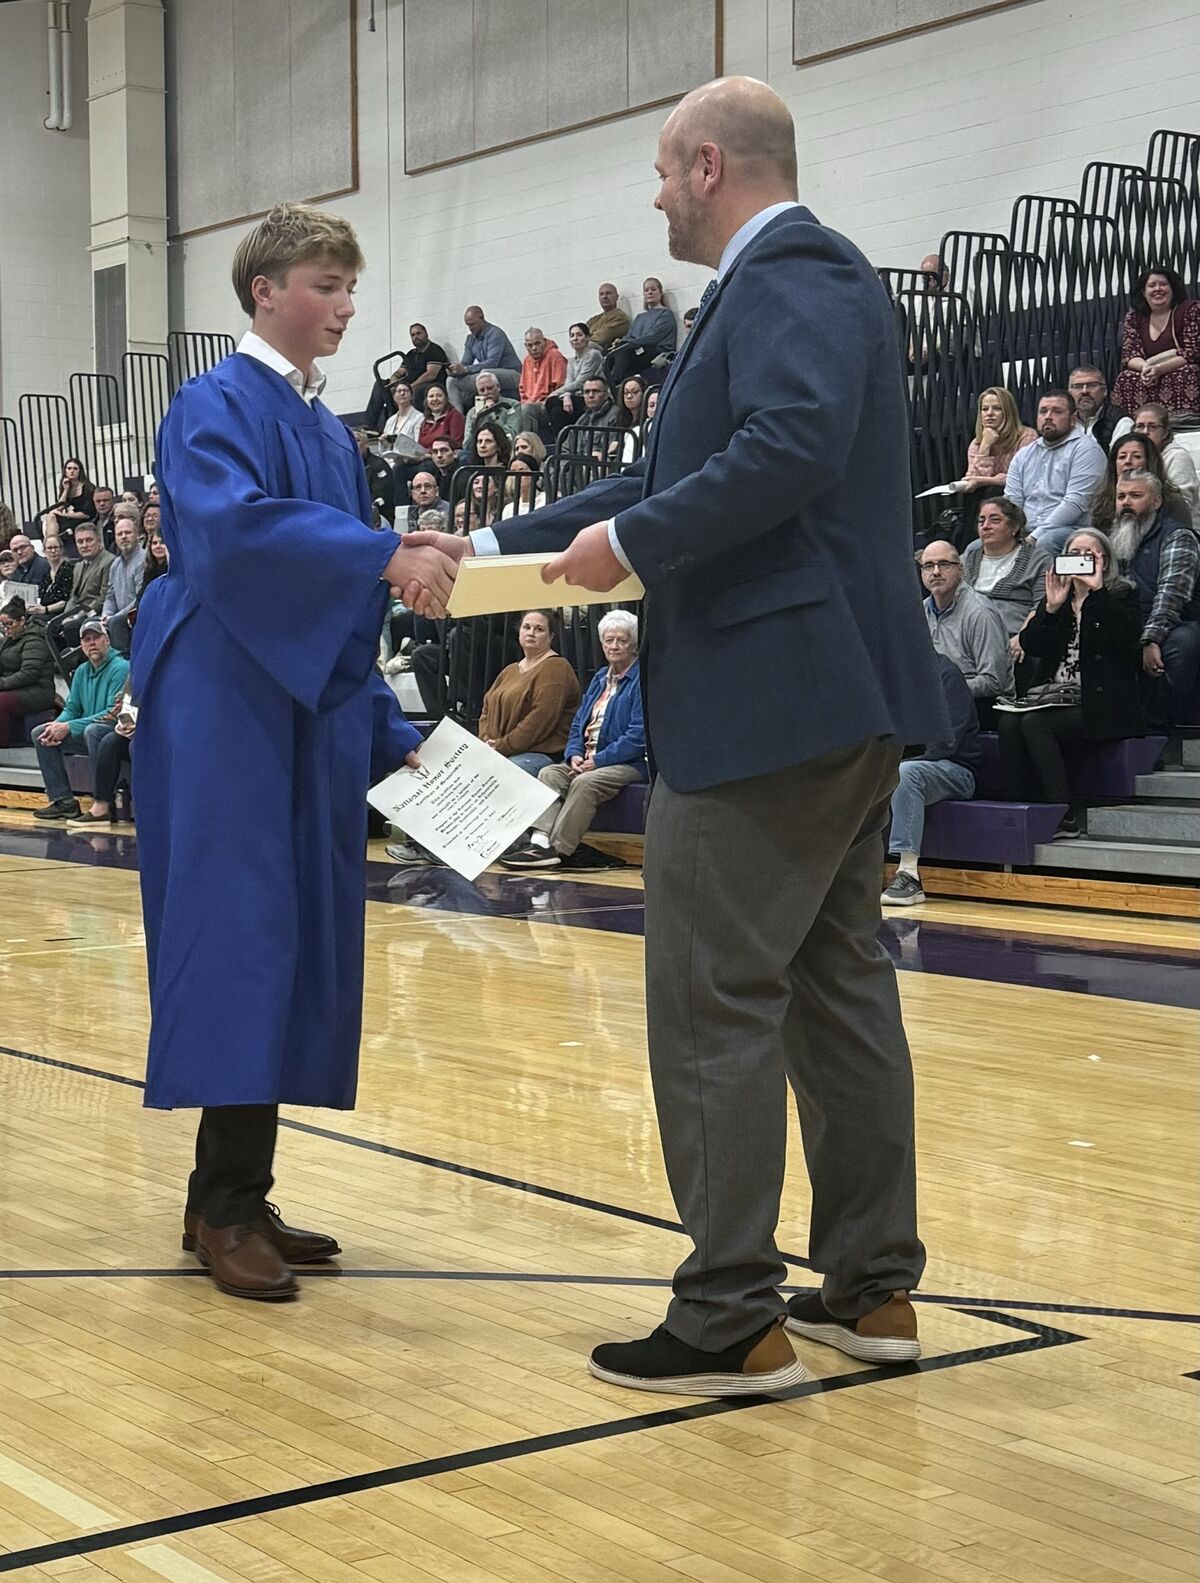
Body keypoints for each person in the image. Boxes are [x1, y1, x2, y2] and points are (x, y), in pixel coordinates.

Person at [412, 75, 947, 1394]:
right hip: (828, 697)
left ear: (709, 165)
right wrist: (491, 540)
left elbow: (789, 443)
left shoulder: (798, 269)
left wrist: (638, 539)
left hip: (772, 699)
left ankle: (727, 1315)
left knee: (712, 996)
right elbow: (656, 480)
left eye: (661, 172)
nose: (655, 198)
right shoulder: (770, 291)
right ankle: (870, 1287)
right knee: (835, 987)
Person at [130, 202, 456, 1303]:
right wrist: (381, 549)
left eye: (350, 286)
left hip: (303, 704)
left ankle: (232, 1191)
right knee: (240, 933)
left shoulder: (328, 430)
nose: (346, 306)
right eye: (326, 284)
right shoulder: (213, 402)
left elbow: (344, 602)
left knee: (295, 933)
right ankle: (223, 1207)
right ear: (265, 290)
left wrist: (389, 733)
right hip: (224, 697)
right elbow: (233, 540)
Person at [996, 528, 1145, 838]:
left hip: (1101, 701)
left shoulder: (1121, 594)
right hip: (1053, 695)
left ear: (1104, 561)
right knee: (1009, 723)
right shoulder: (1057, 598)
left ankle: (1063, 813)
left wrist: (1098, 593)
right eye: (1074, 554)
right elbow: (1032, 645)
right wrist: (1050, 609)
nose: (1081, 559)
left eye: (1089, 554)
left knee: (1036, 724)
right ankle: (1025, 808)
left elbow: (1127, 640)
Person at [502, 609, 647, 868]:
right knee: (550, 773)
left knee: (585, 783)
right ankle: (539, 843)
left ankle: (558, 849)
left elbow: (638, 736)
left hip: (629, 762)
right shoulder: (600, 678)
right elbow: (579, 722)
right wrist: (574, 754)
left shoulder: (641, 681)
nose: (614, 646)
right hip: (589, 758)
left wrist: (599, 760)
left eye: (621, 641)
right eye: (609, 640)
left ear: (633, 645)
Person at [880, 654, 980, 907]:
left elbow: (945, 744)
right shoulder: (894, 679)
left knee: (906, 773)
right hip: (910, 765)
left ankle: (908, 875)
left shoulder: (947, 675)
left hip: (956, 769)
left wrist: (892, 765)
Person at [1107, 470, 1200, 722]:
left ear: (1157, 501)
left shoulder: (1177, 536)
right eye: (1121, 497)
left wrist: (1150, 639)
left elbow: (1171, 596)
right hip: (1127, 619)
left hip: (1172, 622)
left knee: (1183, 643)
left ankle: (1158, 720)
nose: (1126, 502)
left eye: (1136, 495)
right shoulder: (1113, 536)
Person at [32, 618, 130, 820]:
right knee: (40, 733)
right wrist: (57, 725)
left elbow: (111, 715)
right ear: (82, 645)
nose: (92, 643)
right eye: (87, 640)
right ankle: (63, 801)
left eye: (96, 638)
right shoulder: (81, 671)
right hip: (85, 732)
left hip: (112, 733)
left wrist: (69, 726)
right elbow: (72, 708)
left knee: (93, 731)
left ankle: (101, 802)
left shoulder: (121, 668)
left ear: (107, 640)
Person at [474, 610, 580, 775]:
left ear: (551, 636)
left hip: (539, 753)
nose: (531, 633)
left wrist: (501, 746)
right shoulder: (510, 670)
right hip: (499, 750)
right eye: (527, 627)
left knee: (503, 773)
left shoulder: (556, 668)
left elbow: (540, 719)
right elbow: (486, 709)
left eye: (539, 629)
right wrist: (486, 741)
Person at [1004, 389, 1106, 555]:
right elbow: (1012, 501)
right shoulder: (1023, 454)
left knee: (1047, 541)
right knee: (977, 546)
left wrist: (1034, 536)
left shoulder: (1087, 450)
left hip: (1072, 530)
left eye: (1057, 412)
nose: (1048, 417)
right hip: (1025, 530)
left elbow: (1075, 503)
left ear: (1073, 419)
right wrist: (1010, 534)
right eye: (1043, 411)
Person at [920, 539, 1010, 706]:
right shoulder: (920, 612)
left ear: (960, 569)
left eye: (944, 564)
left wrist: (944, 689)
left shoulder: (980, 613)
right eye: (929, 566)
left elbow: (994, 682)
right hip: (934, 701)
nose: (936, 572)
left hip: (979, 704)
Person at [1111, 265, 1200, 418]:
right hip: (1148, 370)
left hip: (1179, 367)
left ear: (1173, 289)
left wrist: (1159, 369)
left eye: (1163, 284)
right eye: (1152, 285)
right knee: (1126, 378)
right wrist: (1146, 369)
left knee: (1188, 373)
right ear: (1143, 292)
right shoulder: (1134, 316)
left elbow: (1193, 352)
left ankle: (1186, 422)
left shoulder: (1191, 309)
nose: (1158, 289)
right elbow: (1130, 355)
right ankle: (1134, 424)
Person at [961, 497, 1051, 639]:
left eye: (995, 520)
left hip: (1012, 635)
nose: (986, 526)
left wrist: (1023, 638)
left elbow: (1041, 606)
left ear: (1014, 527)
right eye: (981, 521)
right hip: (967, 635)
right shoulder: (965, 560)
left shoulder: (1039, 560)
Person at [1090, 431, 1191, 537]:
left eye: (1137, 456)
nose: (1128, 461)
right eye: (1122, 457)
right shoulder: (1103, 502)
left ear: (1149, 462)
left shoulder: (1172, 500)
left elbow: (1182, 536)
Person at [66, 678, 137, 827]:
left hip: (157, 729)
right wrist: (123, 722)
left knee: (107, 739)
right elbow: (127, 704)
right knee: (104, 738)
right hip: (134, 728)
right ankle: (100, 806)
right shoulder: (134, 674)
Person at [48, 523, 114, 665]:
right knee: (52, 626)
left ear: (99, 541)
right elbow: (74, 596)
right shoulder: (78, 566)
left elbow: (103, 597)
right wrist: (64, 616)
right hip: (78, 611)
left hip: (95, 612)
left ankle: (79, 665)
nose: (84, 545)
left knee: (71, 626)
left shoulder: (108, 561)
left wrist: (76, 616)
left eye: (89, 540)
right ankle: (60, 666)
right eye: (80, 541)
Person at [1131, 403, 1200, 529]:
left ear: (1165, 433)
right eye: (1140, 426)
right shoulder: (1133, 457)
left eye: (1152, 427)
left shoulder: (1177, 457)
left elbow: (1182, 507)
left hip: (1180, 529)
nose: (1145, 432)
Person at [0, 598, 57, 746]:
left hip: (37, 690)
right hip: (15, 687)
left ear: (22, 621)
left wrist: (2, 684)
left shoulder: (35, 639)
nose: (6, 629)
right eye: (3, 625)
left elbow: (29, 673)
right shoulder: (7, 641)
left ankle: (3, 743)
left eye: (10, 624)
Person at [445, 305, 522, 412]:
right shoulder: (470, 339)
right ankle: (458, 417)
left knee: (485, 373)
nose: (470, 328)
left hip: (513, 374)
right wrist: (456, 371)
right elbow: (465, 363)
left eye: (472, 324)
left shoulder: (495, 333)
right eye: (468, 325)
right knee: (451, 381)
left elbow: (492, 363)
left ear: (482, 318)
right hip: (490, 373)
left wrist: (466, 369)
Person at [959, 387, 1035, 495]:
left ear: (1008, 412)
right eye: (985, 409)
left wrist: (990, 481)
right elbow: (971, 482)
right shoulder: (977, 443)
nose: (989, 413)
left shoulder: (1027, 437)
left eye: (997, 408)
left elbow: (1023, 478)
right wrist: (985, 446)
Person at [604, 277, 678, 384]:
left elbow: (653, 337)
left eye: (653, 289)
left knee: (624, 351)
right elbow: (630, 335)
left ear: (660, 292)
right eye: (646, 290)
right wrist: (620, 341)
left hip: (656, 351)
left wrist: (627, 343)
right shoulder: (639, 317)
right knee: (609, 350)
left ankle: (616, 383)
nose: (649, 292)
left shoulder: (665, 314)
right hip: (637, 349)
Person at [544, 323, 605, 434]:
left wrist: (554, 393)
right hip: (576, 397)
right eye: (572, 335)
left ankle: (563, 439)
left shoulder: (593, 355)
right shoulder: (571, 361)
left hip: (591, 395)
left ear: (587, 337)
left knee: (553, 403)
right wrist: (566, 396)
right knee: (555, 407)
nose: (575, 338)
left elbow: (580, 382)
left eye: (579, 335)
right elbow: (569, 382)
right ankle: (563, 440)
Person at [100, 512, 147, 655]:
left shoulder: (144, 560)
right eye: (120, 534)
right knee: (90, 624)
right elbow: (110, 596)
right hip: (117, 616)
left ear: (137, 535)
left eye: (128, 532)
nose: (124, 536)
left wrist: (113, 618)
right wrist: (106, 614)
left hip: (137, 615)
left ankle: (123, 664)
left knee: (116, 623)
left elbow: (138, 600)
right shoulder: (115, 564)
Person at [1066, 365, 1131, 452]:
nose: (1084, 391)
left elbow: (1119, 459)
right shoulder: (1064, 421)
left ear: (1104, 391)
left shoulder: (1121, 422)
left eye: (1092, 385)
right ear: (1069, 392)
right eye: (1078, 386)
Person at [40, 458, 96, 553]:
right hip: (71, 517)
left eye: (75, 468)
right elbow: (59, 507)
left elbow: (86, 514)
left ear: (80, 471)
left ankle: (53, 546)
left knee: (56, 520)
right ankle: (52, 544)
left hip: (83, 519)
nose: (72, 471)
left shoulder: (87, 488)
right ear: (65, 471)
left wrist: (64, 515)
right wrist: (66, 490)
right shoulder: (66, 485)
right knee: (51, 516)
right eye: (69, 468)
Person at [517, 327, 567, 433]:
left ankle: (530, 441)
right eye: (530, 345)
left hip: (547, 405)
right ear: (525, 346)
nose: (534, 348)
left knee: (527, 410)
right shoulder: (527, 360)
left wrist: (544, 402)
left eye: (537, 343)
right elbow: (522, 389)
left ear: (544, 341)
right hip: (529, 403)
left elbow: (561, 386)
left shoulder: (555, 355)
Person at [460, 370, 523, 456]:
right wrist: (476, 420)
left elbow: (512, 437)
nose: (486, 393)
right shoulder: (472, 413)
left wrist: (492, 414)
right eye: (482, 390)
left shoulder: (512, 405)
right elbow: (467, 446)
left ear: (498, 387)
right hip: (481, 455)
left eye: (490, 388)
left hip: (506, 453)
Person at [398, 322, 449, 408]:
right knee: (381, 385)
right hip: (410, 386)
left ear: (426, 334)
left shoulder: (434, 350)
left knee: (416, 390)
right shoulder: (411, 354)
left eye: (418, 333)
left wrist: (410, 387)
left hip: (430, 385)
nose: (416, 337)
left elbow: (431, 375)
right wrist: (394, 379)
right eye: (413, 335)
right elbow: (400, 372)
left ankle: (416, 416)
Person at [416, 382, 465, 453]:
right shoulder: (425, 421)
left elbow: (456, 443)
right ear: (426, 401)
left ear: (446, 398)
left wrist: (432, 453)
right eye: (431, 396)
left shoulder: (454, 416)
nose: (435, 399)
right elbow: (420, 446)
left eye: (439, 396)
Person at [34, 532, 73, 620]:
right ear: (44, 551)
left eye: (56, 547)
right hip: (43, 612)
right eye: (49, 548)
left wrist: (46, 609)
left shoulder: (67, 569)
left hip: (59, 614)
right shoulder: (47, 572)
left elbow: (66, 600)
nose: (53, 551)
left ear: (61, 550)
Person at [380, 378, 424, 449]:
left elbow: (418, 443)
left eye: (405, 391)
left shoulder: (419, 417)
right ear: (394, 397)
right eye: (399, 391)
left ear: (412, 396)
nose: (402, 393)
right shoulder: (390, 421)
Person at [585, 282, 630, 350]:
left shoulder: (621, 318)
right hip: (588, 352)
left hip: (604, 353)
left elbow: (602, 338)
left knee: (589, 345)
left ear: (617, 297)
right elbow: (580, 334)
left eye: (608, 293)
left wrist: (588, 336)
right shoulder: (594, 319)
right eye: (601, 294)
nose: (604, 297)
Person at [92, 486, 118, 550]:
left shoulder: (118, 520)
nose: (102, 504)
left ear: (113, 500)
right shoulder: (93, 523)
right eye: (98, 501)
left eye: (106, 500)